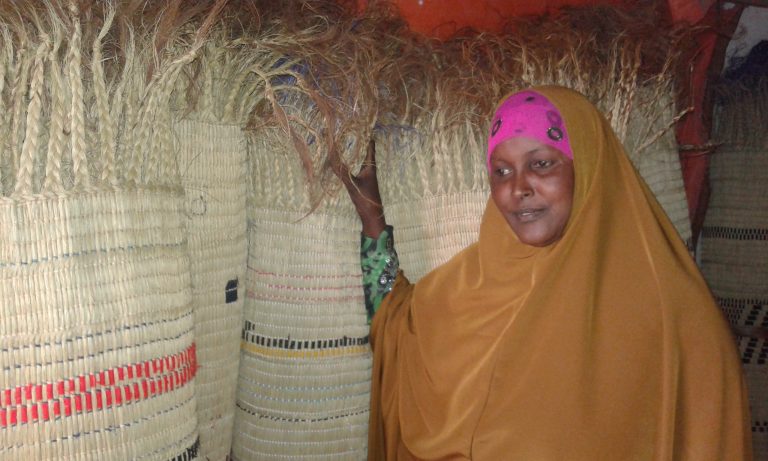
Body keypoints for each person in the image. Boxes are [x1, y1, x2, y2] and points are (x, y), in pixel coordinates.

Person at [334, 86, 752, 460]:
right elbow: (396, 327)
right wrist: (372, 218)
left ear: (585, 167)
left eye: (542, 164)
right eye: (502, 171)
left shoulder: (671, 313)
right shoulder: (472, 286)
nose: (519, 188)